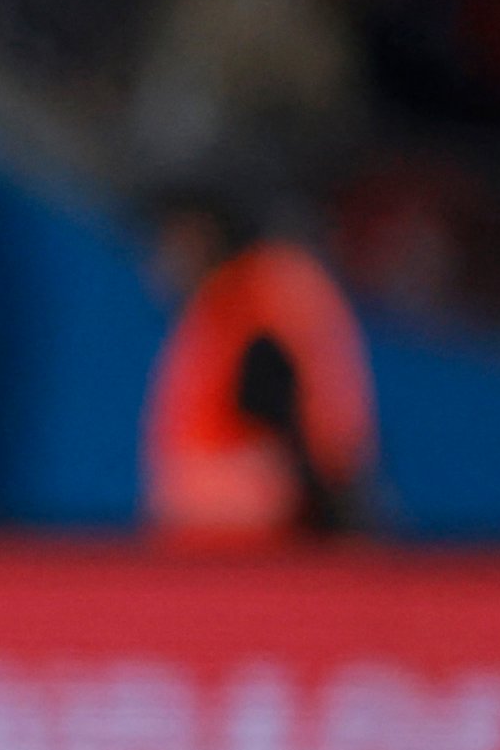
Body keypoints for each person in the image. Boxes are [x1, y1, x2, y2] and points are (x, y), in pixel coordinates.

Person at [142, 188, 372, 541]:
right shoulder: (224, 295)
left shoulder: (256, 292)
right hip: (223, 525)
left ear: (206, 234)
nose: (163, 259)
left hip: (255, 527)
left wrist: (337, 510)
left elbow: (286, 406)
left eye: (176, 240)